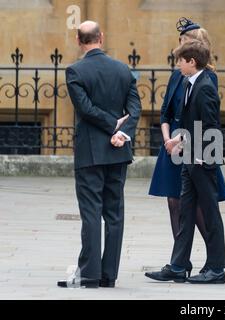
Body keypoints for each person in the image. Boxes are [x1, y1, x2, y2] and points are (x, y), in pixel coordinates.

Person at [58, 21, 141, 288]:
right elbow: (135, 108)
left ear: (78, 40)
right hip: (119, 151)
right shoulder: (123, 69)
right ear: (101, 38)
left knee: (91, 212)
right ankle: (109, 275)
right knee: (114, 213)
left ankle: (90, 274)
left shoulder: (75, 71)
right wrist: (121, 130)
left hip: (90, 153)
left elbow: (85, 109)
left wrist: (110, 125)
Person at [148, 18, 225, 275]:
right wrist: (169, 139)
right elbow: (169, 112)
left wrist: (182, 142)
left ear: (193, 54)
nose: (179, 55)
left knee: (204, 209)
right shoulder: (183, 77)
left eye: (184, 47)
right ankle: (179, 264)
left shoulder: (206, 81)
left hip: (198, 153)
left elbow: (208, 125)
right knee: (179, 205)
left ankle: (215, 265)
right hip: (178, 148)